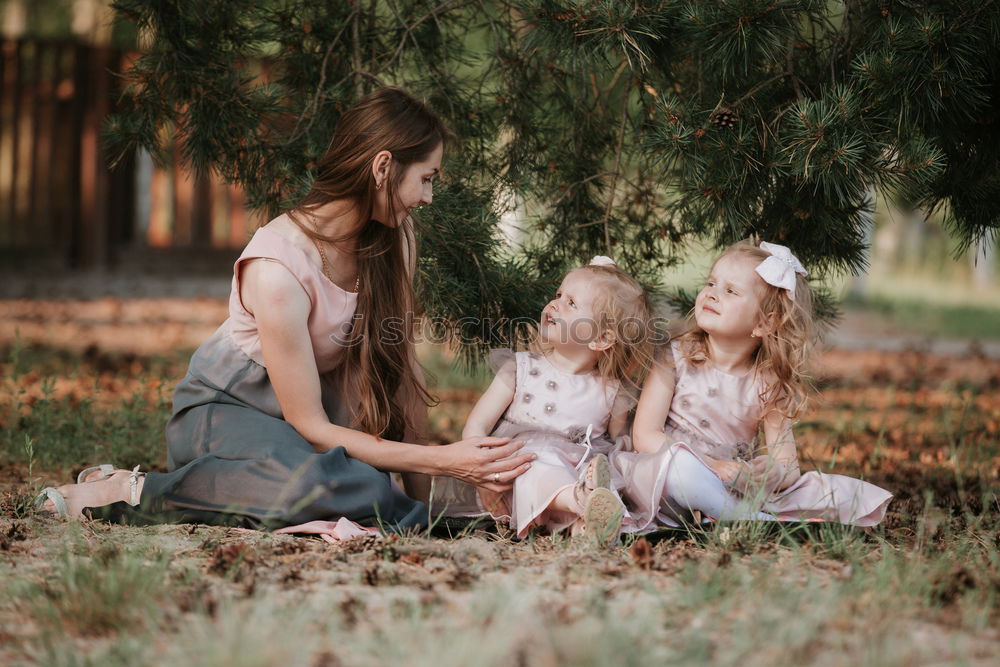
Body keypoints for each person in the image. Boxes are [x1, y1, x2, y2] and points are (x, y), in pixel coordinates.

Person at [35, 87, 535, 532]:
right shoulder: (277, 267)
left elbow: (399, 372)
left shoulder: (394, 239)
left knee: (355, 486)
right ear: (383, 167)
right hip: (226, 414)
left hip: (308, 433)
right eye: (426, 178)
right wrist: (443, 462)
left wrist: (419, 498)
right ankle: (132, 491)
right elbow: (312, 427)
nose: (428, 197)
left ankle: (377, 501)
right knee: (315, 486)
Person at [613, 240, 892, 530]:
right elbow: (645, 436)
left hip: (732, 482)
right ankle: (745, 518)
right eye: (711, 282)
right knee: (680, 468)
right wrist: (711, 465)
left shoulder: (768, 381)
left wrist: (773, 473)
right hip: (667, 477)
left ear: (764, 323)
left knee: (831, 491)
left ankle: (724, 512)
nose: (712, 293)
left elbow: (788, 466)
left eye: (730, 290)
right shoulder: (673, 357)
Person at [458, 257, 653, 547]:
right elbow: (477, 423)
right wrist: (482, 467)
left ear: (601, 339)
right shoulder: (520, 368)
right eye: (558, 295)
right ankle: (580, 500)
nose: (555, 303)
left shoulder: (612, 391)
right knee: (538, 465)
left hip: (577, 469)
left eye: (571, 303)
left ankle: (589, 525)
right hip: (516, 472)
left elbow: (616, 441)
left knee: (601, 471)